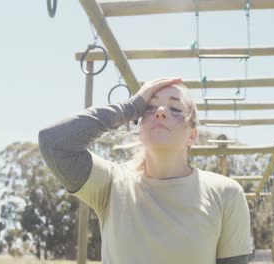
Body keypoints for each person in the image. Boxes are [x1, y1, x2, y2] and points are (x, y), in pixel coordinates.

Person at [38, 77, 252, 264]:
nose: (160, 112)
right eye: (149, 108)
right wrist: (131, 106)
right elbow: (54, 142)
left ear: (192, 136)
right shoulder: (111, 183)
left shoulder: (226, 193)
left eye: (175, 109)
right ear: (140, 129)